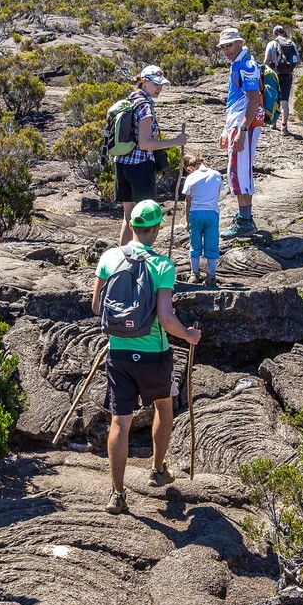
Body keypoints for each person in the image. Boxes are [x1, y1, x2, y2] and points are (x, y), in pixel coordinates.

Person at [92, 199, 201, 515]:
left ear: (132, 226)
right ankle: (157, 469)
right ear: (156, 229)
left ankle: (117, 494)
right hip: (154, 354)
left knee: (120, 420)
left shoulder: (109, 257)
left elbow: (96, 307)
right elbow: (166, 318)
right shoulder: (163, 266)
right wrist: (188, 335)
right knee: (164, 406)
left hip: (118, 353)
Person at [115, 65, 187, 245]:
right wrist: (175, 141)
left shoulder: (130, 100)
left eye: (161, 84)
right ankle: (142, 258)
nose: (159, 88)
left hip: (121, 163)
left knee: (129, 217)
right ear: (144, 82)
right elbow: (145, 143)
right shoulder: (145, 107)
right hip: (139, 167)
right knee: (145, 218)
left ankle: (124, 257)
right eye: (156, 84)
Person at [217, 26, 264, 239]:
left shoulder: (247, 64)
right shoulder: (237, 63)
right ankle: (245, 218)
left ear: (239, 43)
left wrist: (242, 130)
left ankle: (245, 221)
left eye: (229, 45)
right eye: (223, 47)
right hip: (237, 121)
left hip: (244, 123)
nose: (226, 50)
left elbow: (253, 99)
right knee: (239, 169)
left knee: (239, 170)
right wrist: (227, 128)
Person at [181, 153, 222, 287]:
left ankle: (195, 274)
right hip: (212, 213)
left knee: (195, 245)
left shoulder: (191, 177)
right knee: (212, 244)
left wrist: (186, 220)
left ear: (190, 167)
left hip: (195, 213)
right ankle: (211, 276)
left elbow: (188, 201)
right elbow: (217, 194)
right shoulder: (216, 175)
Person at [264, 25, 300, 135]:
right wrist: (289, 68)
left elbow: (266, 62)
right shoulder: (291, 43)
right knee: (284, 101)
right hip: (287, 75)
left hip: (275, 74)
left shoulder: (271, 44)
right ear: (283, 33)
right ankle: (284, 127)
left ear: (274, 34)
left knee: (274, 98)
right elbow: (298, 61)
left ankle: (273, 122)